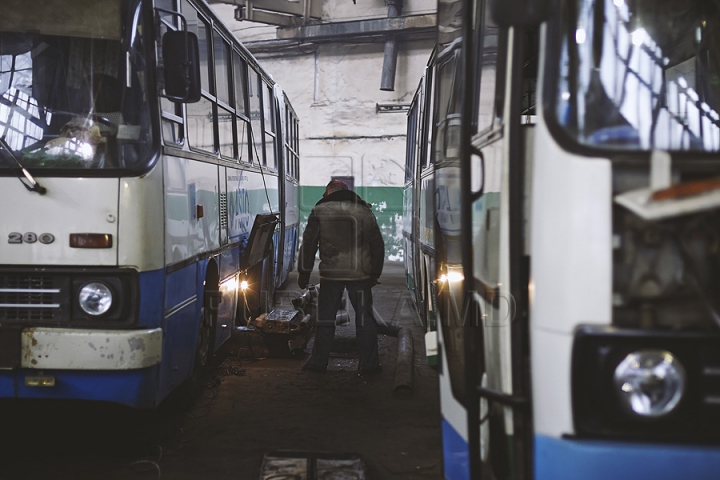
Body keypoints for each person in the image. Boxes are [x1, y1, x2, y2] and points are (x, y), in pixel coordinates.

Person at [298, 179, 385, 374]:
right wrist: (374, 273)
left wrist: (304, 273)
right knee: (365, 319)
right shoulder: (365, 211)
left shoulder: (320, 211)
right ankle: (370, 365)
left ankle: (319, 363)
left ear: (329, 192)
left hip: (331, 275)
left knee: (326, 319)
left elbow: (309, 245)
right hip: (360, 274)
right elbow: (377, 246)